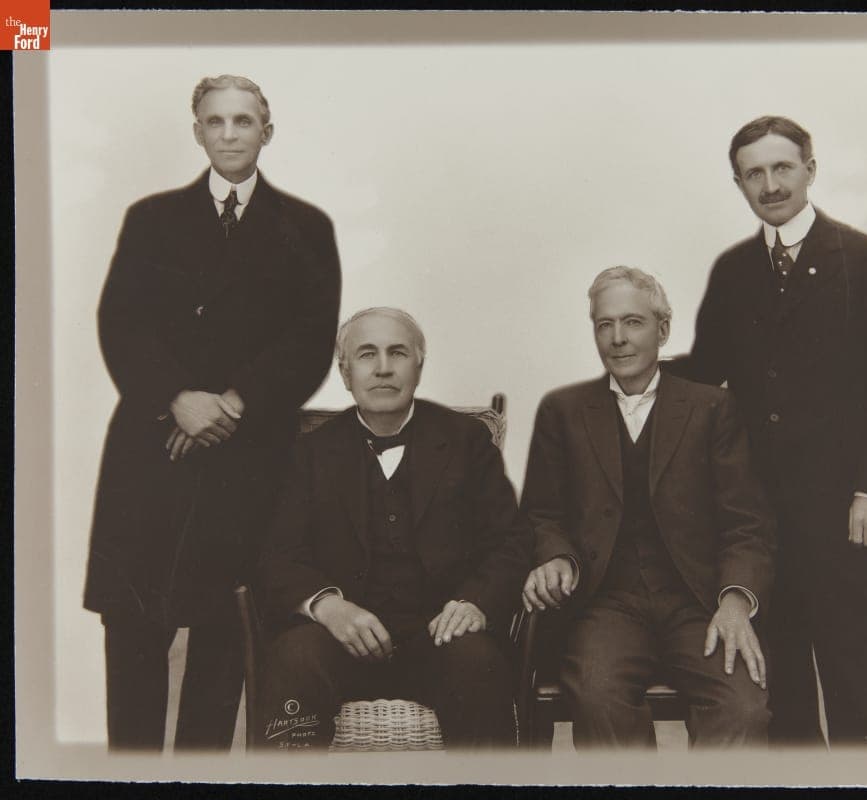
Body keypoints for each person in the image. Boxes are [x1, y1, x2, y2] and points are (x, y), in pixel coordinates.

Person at [84, 74, 342, 751]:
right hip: (152, 446)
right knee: (135, 623)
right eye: (216, 122)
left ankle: (200, 769)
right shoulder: (151, 218)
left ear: (267, 131)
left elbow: (311, 341)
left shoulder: (307, 227)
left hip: (249, 456)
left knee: (228, 627)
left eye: (244, 121)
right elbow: (121, 323)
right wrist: (178, 399)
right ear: (197, 130)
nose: (230, 134)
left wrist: (231, 405)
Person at [663, 116, 867, 746]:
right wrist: (639, 362)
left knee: (853, 670)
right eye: (754, 173)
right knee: (781, 688)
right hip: (761, 513)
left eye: (782, 168)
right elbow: (707, 371)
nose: (770, 184)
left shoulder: (862, 259)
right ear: (738, 183)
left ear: (810, 169)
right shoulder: (733, 270)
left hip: (843, 510)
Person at [520, 267, 776, 749]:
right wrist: (556, 557)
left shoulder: (712, 408)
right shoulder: (563, 411)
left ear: (662, 328)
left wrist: (736, 599)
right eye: (604, 324)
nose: (617, 339)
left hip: (699, 603)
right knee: (596, 696)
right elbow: (541, 515)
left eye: (633, 322)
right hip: (605, 606)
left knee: (742, 705)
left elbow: (748, 524)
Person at [255, 308, 532, 750]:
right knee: (294, 658)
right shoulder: (309, 453)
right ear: (345, 374)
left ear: (418, 367)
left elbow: (511, 541)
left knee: (478, 661)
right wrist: (327, 606)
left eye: (397, 353)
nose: (383, 367)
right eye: (367, 355)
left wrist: (474, 601)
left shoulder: (467, 442)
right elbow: (276, 555)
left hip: (439, 637)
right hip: (338, 639)